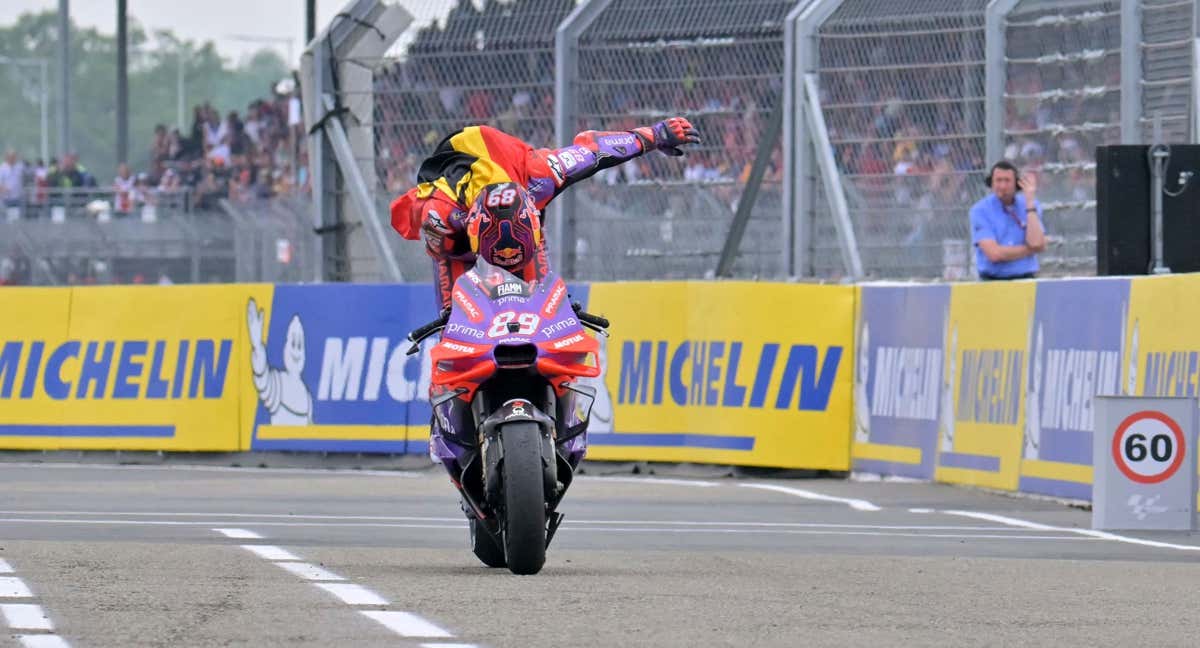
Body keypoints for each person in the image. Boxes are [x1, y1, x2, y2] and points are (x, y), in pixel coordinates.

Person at [390, 118, 701, 307]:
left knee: (542, 309)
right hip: (460, 234)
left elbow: (595, 149)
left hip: (512, 174)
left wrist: (655, 135)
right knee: (451, 323)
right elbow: (410, 224)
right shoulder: (441, 211)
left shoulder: (542, 176)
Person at [969, 160, 1045, 280]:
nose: (1003, 186)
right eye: (998, 181)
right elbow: (994, 254)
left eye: (1007, 181)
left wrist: (1030, 204)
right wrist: (1029, 250)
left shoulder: (1031, 205)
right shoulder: (980, 210)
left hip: (1025, 279)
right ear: (992, 183)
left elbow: (1036, 243)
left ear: (1016, 183)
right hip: (993, 280)